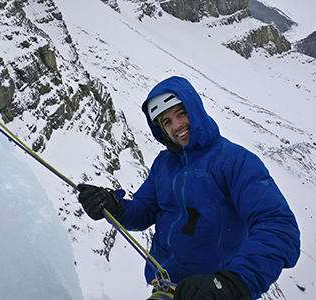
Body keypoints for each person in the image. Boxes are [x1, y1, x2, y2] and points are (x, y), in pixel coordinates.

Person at [77, 76, 300, 300]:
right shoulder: (164, 164)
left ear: (195, 109)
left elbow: (279, 227)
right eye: (166, 122)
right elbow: (145, 210)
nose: (177, 126)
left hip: (214, 292)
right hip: (165, 289)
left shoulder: (235, 161)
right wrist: (115, 207)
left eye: (181, 113)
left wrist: (233, 284)